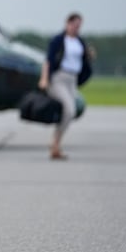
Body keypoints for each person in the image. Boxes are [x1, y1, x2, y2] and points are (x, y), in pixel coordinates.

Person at [38, 12, 93, 160]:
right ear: (67, 24)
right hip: (59, 78)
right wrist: (44, 79)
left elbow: (83, 60)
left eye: (79, 26)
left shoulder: (80, 41)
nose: (76, 28)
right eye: (74, 25)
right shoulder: (58, 40)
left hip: (72, 79)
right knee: (69, 109)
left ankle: (55, 145)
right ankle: (55, 144)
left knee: (71, 111)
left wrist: (89, 56)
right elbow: (48, 60)